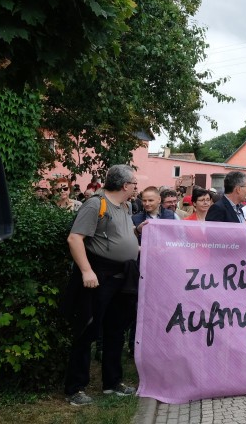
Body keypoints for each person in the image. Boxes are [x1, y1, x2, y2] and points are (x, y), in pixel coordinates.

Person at [63, 165, 139, 406]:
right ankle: (75, 388)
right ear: (125, 185)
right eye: (134, 183)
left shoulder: (125, 206)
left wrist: (137, 231)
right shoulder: (96, 204)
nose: (135, 187)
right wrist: (86, 271)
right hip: (99, 276)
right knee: (88, 331)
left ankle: (112, 383)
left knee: (116, 330)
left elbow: (118, 237)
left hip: (121, 277)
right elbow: (75, 238)